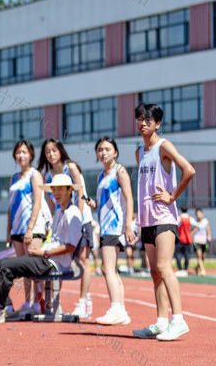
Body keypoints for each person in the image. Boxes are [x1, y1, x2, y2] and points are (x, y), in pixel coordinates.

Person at [0, 174, 83, 324]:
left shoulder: (72, 213)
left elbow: (71, 246)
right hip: (44, 258)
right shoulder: (59, 211)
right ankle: (6, 307)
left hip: (52, 263)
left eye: (60, 189)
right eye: (53, 189)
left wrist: (44, 252)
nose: (56, 193)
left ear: (70, 190)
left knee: (3, 267)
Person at [132, 103, 196, 342]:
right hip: (146, 220)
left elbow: (189, 170)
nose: (142, 123)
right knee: (154, 272)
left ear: (157, 124)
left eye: (148, 120)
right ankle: (160, 322)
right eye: (139, 119)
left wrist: (172, 196)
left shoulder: (164, 146)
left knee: (164, 267)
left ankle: (178, 320)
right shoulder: (139, 152)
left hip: (164, 218)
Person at [39, 139, 94, 318]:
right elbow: (50, 202)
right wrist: (50, 224)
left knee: (82, 261)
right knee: (57, 260)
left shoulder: (70, 167)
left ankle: (83, 301)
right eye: (47, 151)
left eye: (54, 150)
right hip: (60, 222)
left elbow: (80, 192)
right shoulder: (48, 176)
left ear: (60, 151)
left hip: (79, 219)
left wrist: (77, 216)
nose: (51, 154)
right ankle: (55, 303)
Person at [86, 137, 136, 326]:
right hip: (105, 227)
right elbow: (107, 202)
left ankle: (115, 308)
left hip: (115, 227)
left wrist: (128, 225)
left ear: (115, 152)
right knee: (111, 269)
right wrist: (95, 204)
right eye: (100, 149)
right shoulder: (101, 176)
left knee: (108, 269)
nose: (103, 152)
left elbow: (129, 199)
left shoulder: (119, 171)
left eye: (107, 149)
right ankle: (120, 310)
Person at [4, 140, 50, 319]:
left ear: (31, 155)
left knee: (33, 268)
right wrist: (8, 231)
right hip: (17, 230)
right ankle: (28, 302)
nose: (21, 156)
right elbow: (10, 207)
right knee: (24, 270)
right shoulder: (14, 178)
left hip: (32, 228)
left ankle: (38, 303)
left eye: (24, 152)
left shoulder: (35, 175)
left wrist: (30, 228)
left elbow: (37, 202)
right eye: (18, 152)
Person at [192, 209, 211, 276]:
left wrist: (209, 236)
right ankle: (202, 270)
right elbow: (192, 232)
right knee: (199, 256)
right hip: (197, 241)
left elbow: (208, 229)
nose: (199, 215)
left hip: (204, 241)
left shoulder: (206, 221)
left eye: (200, 213)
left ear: (202, 214)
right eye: (197, 214)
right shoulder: (195, 223)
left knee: (203, 257)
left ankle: (197, 267)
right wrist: (196, 228)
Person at [175, 207, 193, 274]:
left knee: (178, 254)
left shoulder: (179, 218)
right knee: (187, 255)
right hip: (188, 240)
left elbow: (175, 225)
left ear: (181, 210)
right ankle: (185, 269)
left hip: (180, 239)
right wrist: (191, 232)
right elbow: (198, 225)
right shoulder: (190, 218)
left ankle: (180, 268)